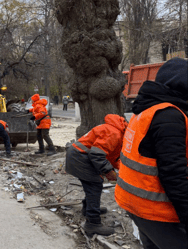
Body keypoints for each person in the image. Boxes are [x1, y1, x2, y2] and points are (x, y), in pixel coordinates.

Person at [115, 58, 188, 249]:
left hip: (134, 203)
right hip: (154, 209)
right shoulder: (170, 117)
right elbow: (174, 175)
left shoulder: (146, 110)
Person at [66, 114, 128, 236]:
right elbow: (97, 155)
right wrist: (109, 172)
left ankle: (88, 208)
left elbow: (111, 156)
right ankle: (92, 223)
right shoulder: (114, 133)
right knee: (94, 185)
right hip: (79, 158)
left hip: (78, 156)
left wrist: (124, 170)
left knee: (92, 185)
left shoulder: (115, 131)